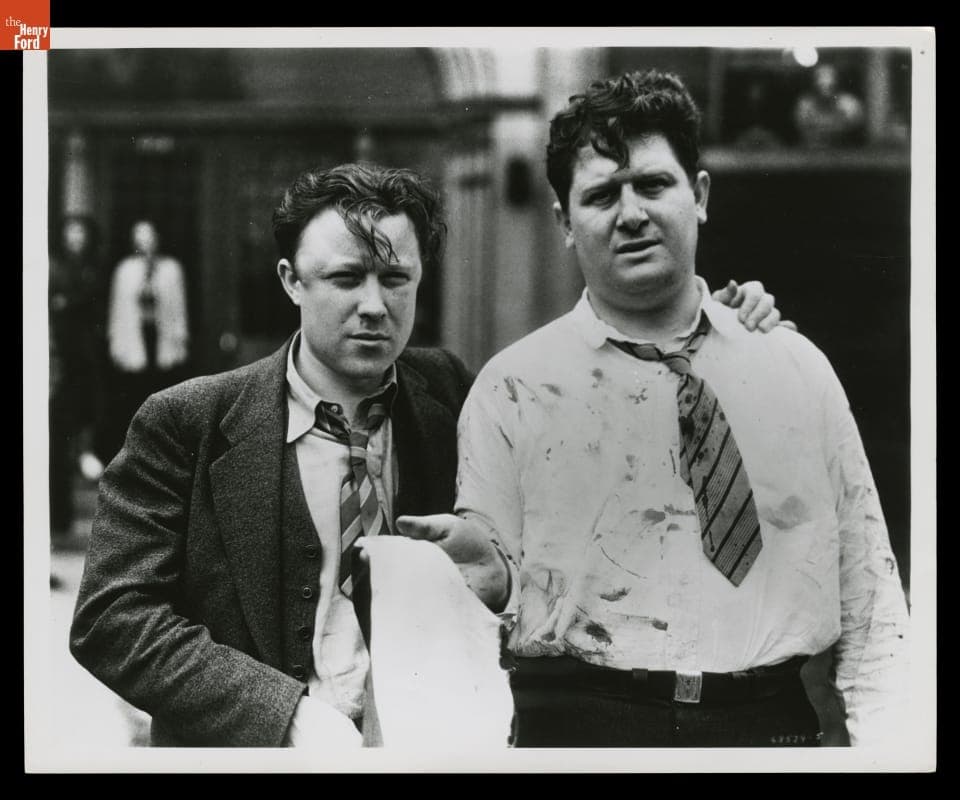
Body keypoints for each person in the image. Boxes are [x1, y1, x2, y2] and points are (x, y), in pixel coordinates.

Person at [70, 161, 782, 748]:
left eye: (396, 279)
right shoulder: (189, 422)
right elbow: (112, 618)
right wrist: (284, 716)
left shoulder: (454, 395)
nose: (375, 306)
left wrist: (716, 326)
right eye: (347, 278)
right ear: (291, 280)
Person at [402, 69, 909, 748]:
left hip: (768, 730)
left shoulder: (796, 371)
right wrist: (483, 582)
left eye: (653, 185)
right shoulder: (511, 388)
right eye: (603, 194)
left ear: (698, 195)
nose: (631, 213)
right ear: (563, 222)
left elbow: (872, 607)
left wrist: (895, 752)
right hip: (578, 732)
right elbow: (485, 606)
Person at [100, 219, 190, 462]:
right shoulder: (124, 270)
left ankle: (162, 455)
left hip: (162, 340)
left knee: (163, 396)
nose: (145, 243)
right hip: (134, 339)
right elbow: (117, 310)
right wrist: (116, 344)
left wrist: (180, 340)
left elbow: (179, 308)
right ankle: (134, 456)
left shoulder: (171, 269)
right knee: (133, 397)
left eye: (149, 237)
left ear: (157, 239)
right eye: (140, 239)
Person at [48, 215, 105, 544]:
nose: (76, 238)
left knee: (85, 414)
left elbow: (90, 303)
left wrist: (71, 303)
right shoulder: (55, 266)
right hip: (62, 357)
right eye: (71, 232)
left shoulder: (93, 267)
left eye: (81, 232)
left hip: (85, 356)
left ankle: (86, 455)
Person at [794, 63, 865, 148]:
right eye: (820, 80)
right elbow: (803, 130)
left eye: (829, 82)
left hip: (845, 151)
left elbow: (855, 130)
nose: (825, 82)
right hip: (814, 151)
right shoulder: (805, 105)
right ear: (814, 83)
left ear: (837, 81)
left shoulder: (850, 104)